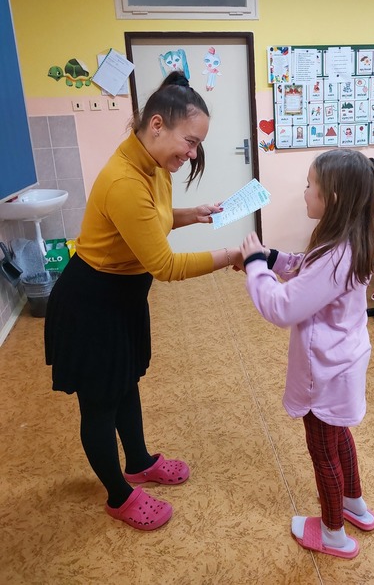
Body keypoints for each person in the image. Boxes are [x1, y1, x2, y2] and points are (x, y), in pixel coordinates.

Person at [44, 71, 243, 531]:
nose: (192, 154)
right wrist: (231, 255)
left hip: (123, 297)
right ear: (157, 125)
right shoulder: (123, 180)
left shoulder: (154, 168)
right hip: (92, 303)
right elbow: (165, 265)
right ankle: (118, 495)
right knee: (100, 402)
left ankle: (138, 461)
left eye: (196, 145)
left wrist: (192, 214)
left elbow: (152, 221)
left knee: (126, 382)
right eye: (190, 142)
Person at [240, 149, 374, 560]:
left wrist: (255, 267)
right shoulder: (348, 241)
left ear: (331, 198)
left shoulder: (336, 255)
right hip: (343, 362)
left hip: (326, 373)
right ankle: (354, 504)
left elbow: (281, 307)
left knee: (323, 451)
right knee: (339, 435)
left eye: (309, 185)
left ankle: (334, 533)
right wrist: (271, 259)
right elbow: (305, 267)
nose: (304, 193)